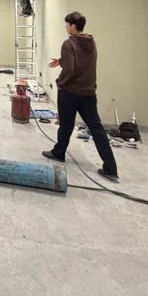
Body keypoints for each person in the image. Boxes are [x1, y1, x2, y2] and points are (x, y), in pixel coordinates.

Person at [42, 11, 119, 181]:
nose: (65, 27)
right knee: (97, 128)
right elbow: (82, 62)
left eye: (67, 24)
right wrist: (62, 60)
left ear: (73, 26)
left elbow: (70, 69)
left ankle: (59, 152)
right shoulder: (91, 42)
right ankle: (110, 167)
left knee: (66, 125)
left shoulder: (69, 43)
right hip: (88, 93)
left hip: (70, 92)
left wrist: (60, 82)